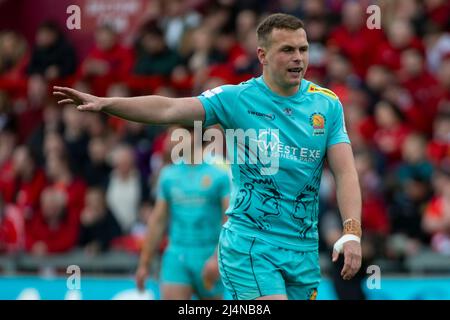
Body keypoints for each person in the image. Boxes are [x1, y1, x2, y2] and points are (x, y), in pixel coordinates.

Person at [53, 13, 362, 300]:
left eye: (303, 49)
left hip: (302, 249)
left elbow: (345, 172)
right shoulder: (236, 99)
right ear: (262, 56)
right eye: (287, 50)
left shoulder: (327, 105)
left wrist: (352, 234)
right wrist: (108, 103)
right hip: (250, 245)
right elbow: (169, 109)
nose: (298, 58)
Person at [135, 126, 230, 300]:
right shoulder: (168, 175)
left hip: (208, 256)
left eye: (174, 133)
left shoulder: (220, 172)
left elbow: (229, 221)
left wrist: (218, 258)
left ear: (194, 135)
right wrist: (144, 263)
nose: (170, 139)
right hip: (176, 255)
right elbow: (158, 221)